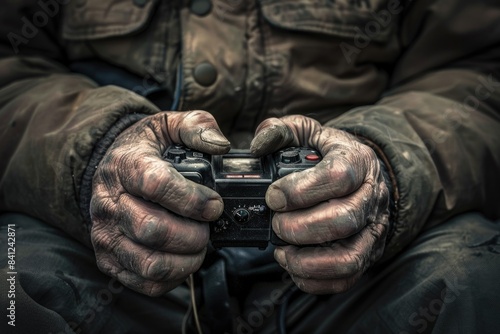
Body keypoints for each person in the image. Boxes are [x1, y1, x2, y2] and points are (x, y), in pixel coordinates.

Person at [1, 0, 499, 333]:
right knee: (10, 278)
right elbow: (10, 63)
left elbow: (475, 69)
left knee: (471, 280)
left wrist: (386, 165)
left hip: (357, 256)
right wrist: (94, 158)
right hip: (104, 242)